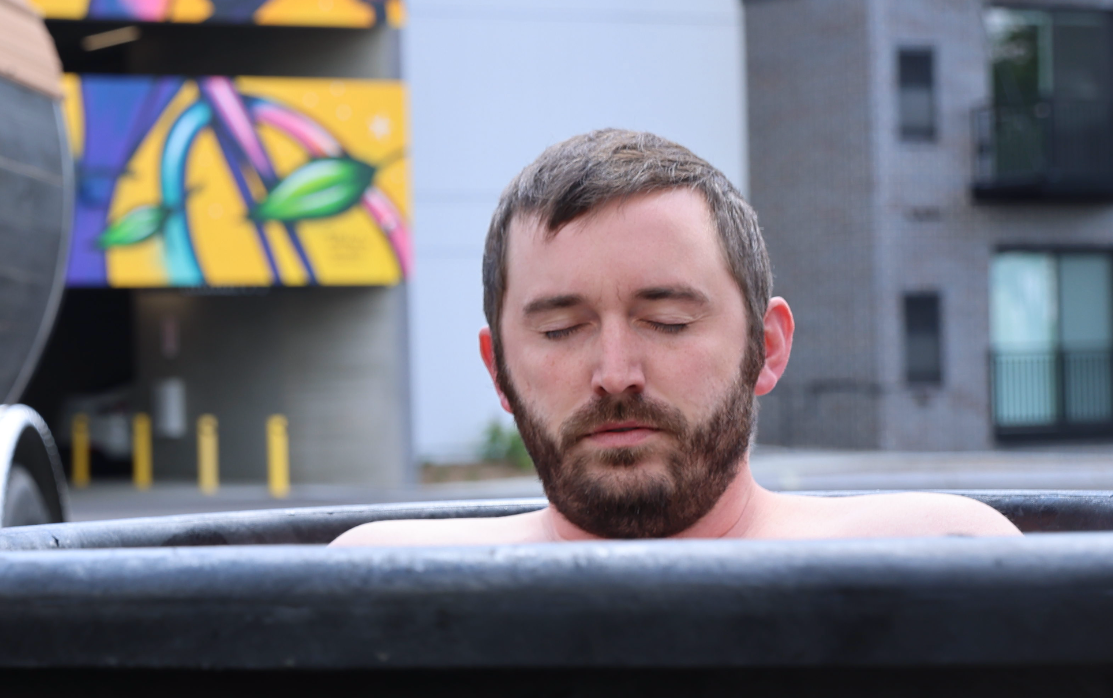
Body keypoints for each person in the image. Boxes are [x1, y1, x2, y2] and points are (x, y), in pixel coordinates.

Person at [336, 129, 1019, 546]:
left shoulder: (943, 556)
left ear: (767, 346)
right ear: (499, 371)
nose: (615, 373)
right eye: (560, 330)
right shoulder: (380, 587)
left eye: (668, 322)